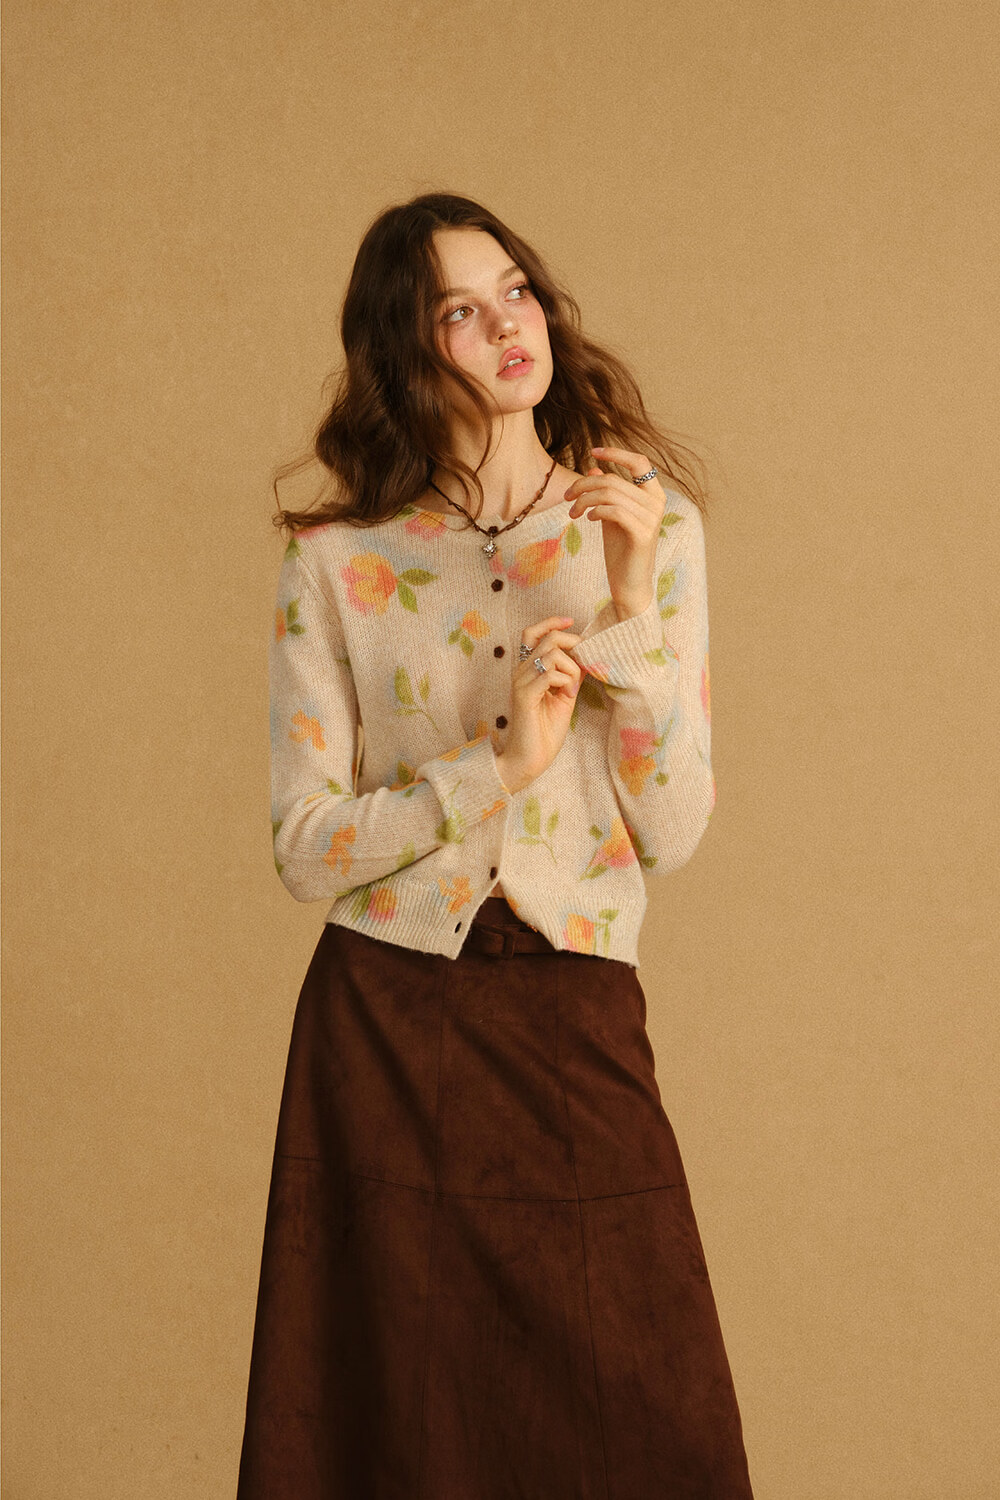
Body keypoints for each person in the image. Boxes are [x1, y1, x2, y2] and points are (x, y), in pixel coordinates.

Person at [237, 191, 753, 1498]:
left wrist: (627, 604)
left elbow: (672, 830)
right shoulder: (340, 564)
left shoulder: (651, 532)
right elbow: (304, 847)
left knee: (647, 1410)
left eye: (513, 290)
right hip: (386, 1018)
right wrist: (497, 767)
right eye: (457, 313)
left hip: (573, 1003)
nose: (506, 327)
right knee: (395, 1425)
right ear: (405, 355)